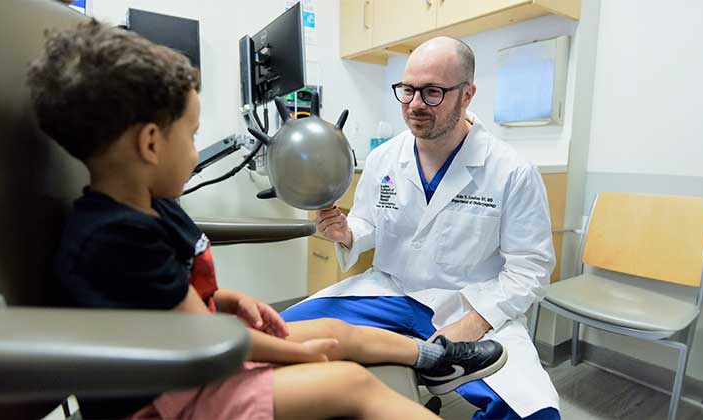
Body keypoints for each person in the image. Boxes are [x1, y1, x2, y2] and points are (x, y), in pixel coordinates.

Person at [27, 20, 506, 420]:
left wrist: (228, 298)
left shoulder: (153, 205)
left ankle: (436, 358)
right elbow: (205, 340)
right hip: (174, 393)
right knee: (349, 381)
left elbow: (174, 291)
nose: (196, 151)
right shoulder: (115, 237)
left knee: (337, 332)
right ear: (151, 144)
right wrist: (301, 355)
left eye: (433, 92)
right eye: (192, 136)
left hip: (193, 352)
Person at [282, 36, 561, 419]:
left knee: (536, 414)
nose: (414, 104)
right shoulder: (383, 159)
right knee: (278, 339)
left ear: (467, 95)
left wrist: (473, 323)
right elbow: (369, 221)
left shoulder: (512, 171)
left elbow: (530, 269)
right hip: (388, 292)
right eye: (408, 90)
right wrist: (348, 233)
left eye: (432, 92)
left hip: (468, 303)